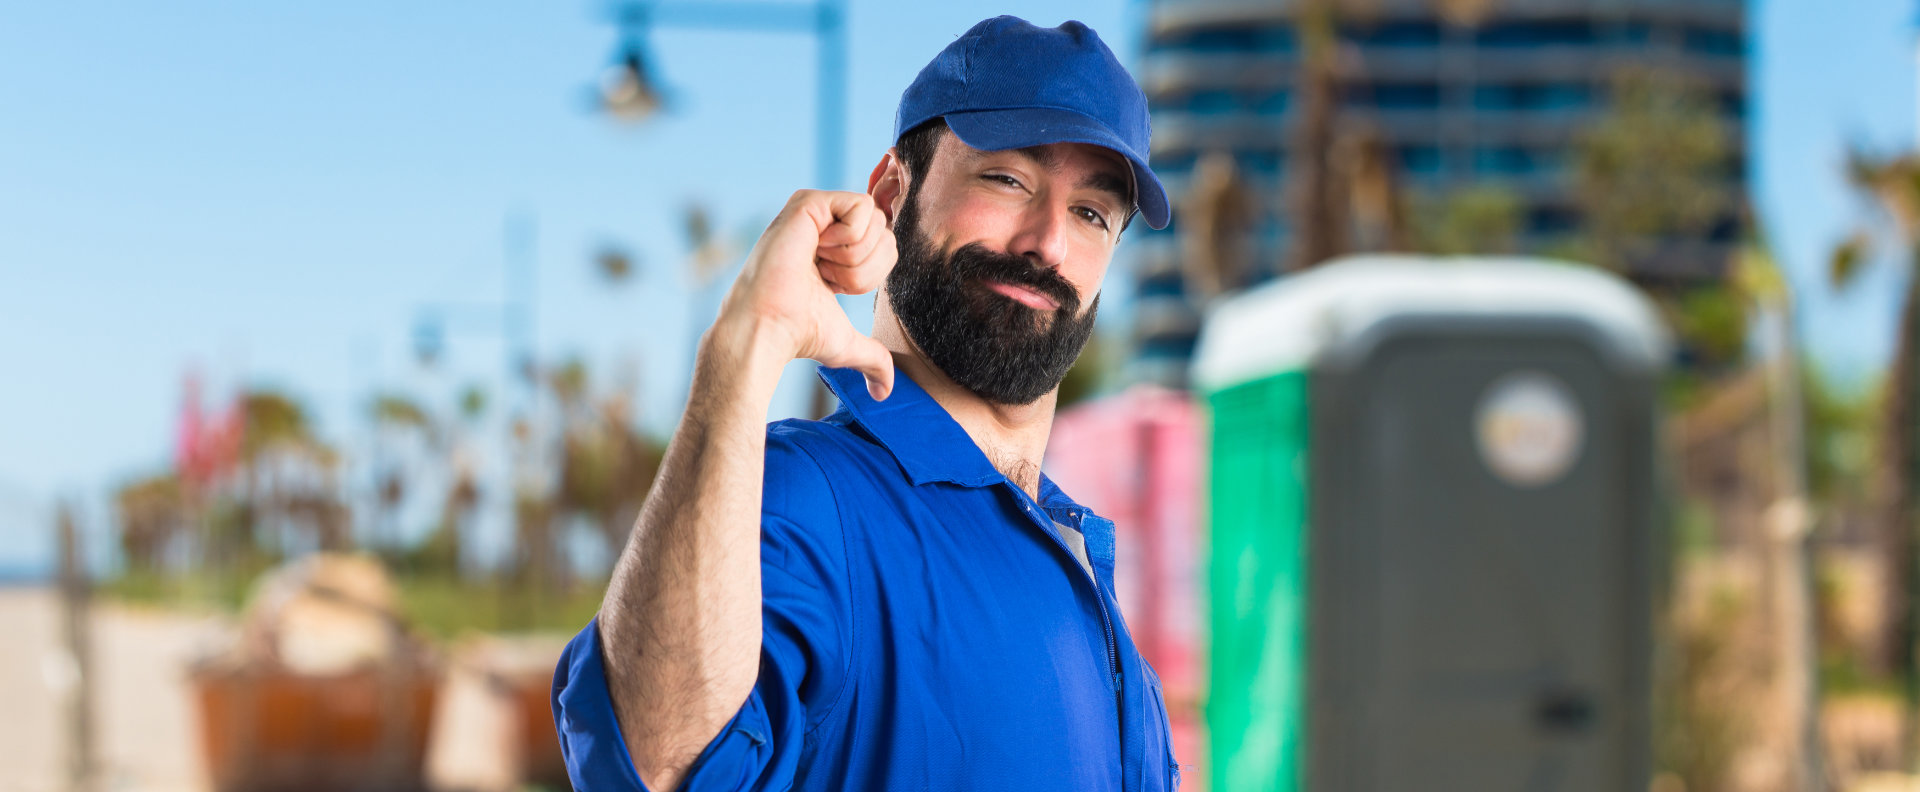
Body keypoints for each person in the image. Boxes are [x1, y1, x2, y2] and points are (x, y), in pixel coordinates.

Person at [552, 16, 1177, 791]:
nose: (1048, 242)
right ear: (889, 191)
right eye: (1008, 179)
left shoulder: (1082, 578)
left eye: (1091, 214)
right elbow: (650, 762)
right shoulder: (805, 499)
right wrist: (746, 349)